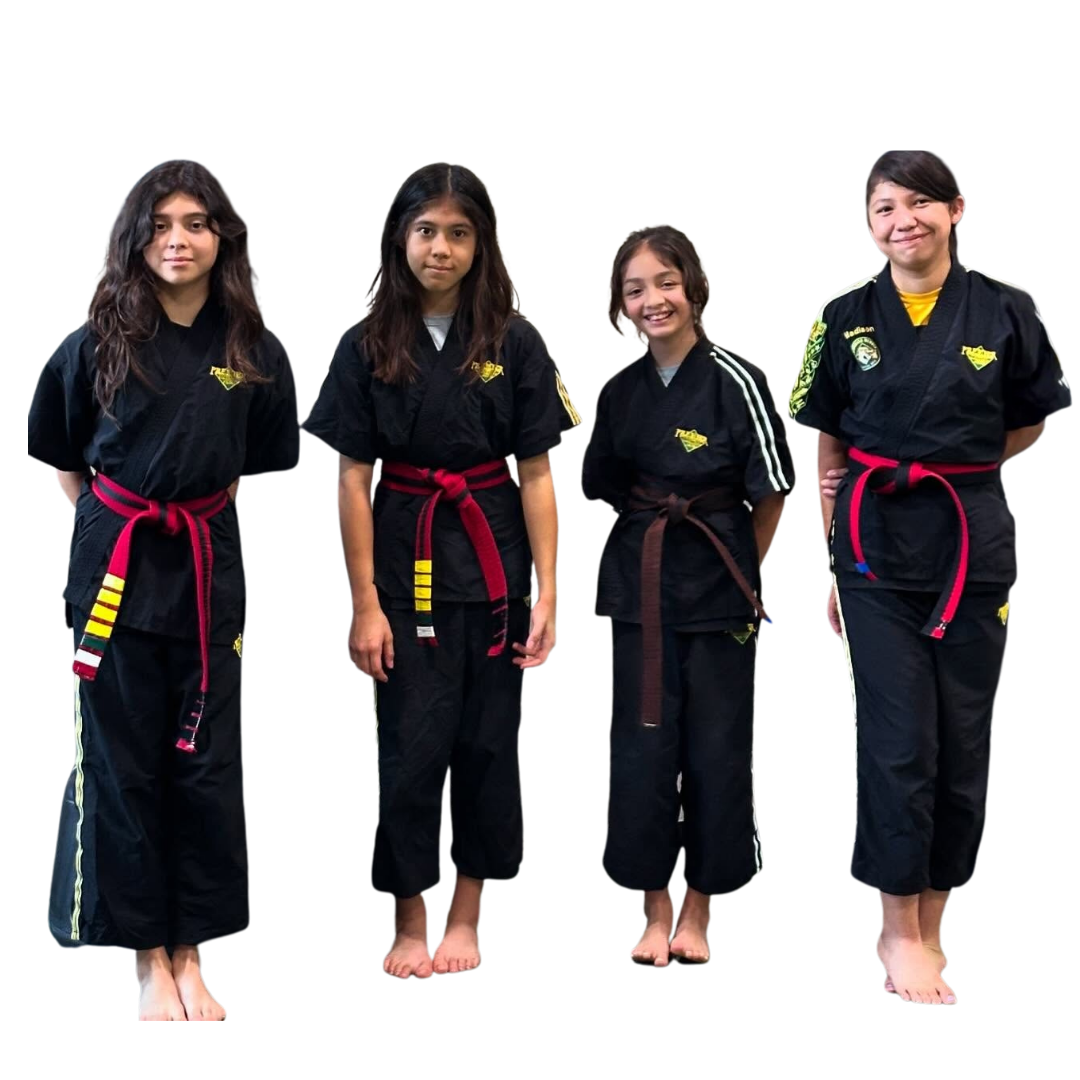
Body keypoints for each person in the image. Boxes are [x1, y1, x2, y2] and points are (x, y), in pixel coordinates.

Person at [788, 149, 1071, 1005]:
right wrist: (838, 555)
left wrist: (957, 463)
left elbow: (1031, 421)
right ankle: (896, 930)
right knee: (897, 737)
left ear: (955, 210)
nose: (902, 220)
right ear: (868, 225)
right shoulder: (841, 315)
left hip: (972, 542)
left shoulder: (1008, 307)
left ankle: (938, 920)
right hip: (874, 550)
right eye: (883, 208)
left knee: (964, 741)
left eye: (918, 203)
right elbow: (824, 437)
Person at [28, 159, 300, 1020]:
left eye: (195, 223)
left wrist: (185, 518)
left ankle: (193, 955)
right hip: (113, 573)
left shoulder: (254, 349)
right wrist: (123, 522)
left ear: (224, 237)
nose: (177, 240)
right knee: (120, 767)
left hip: (208, 573)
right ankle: (148, 960)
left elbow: (251, 469)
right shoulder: (92, 342)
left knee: (206, 767)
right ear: (133, 240)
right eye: (159, 225)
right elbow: (67, 465)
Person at [302, 161, 581, 980]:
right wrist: (363, 605)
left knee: (490, 748)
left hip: (495, 573)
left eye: (460, 234)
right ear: (400, 237)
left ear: (482, 245)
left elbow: (538, 477)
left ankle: (467, 915)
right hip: (402, 567)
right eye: (427, 231)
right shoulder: (364, 344)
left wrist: (550, 599)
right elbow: (353, 482)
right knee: (411, 754)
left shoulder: (517, 339)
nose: (442, 248)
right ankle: (409, 918)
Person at [582, 224, 794, 968]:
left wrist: (739, 573)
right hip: (639, 595)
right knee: (641, 749)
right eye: (635, 289)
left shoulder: (741, 378)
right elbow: (604, 486)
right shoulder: (619, 391)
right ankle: (654, 907)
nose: (653, 299)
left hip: (720, 595)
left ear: (694, 288)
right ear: (621, 307)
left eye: (665, 282)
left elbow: (771, 495)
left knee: (716, 751)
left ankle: (700, 908)